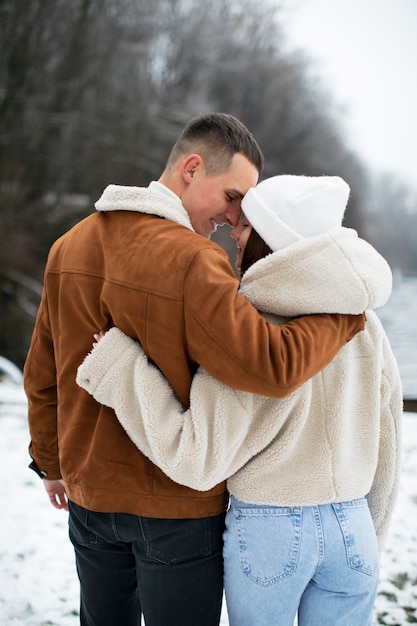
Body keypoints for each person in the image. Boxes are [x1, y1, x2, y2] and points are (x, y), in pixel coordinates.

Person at [24, 112, 366, 626]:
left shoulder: (67, 247)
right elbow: (271, 366)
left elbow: (43, 371)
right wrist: (343, 314)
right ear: (192, 167)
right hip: (175, 509)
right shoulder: (193, 260)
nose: (234, 218)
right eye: (232, 197)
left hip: (88, 497)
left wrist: (50, 463)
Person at [77, 175, 403, 626]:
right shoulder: (365, 323)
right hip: (354, 525)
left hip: (271, 531)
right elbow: (388, 445)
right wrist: (369, 540)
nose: (234, 230)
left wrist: (120, 367)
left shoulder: (247, 333)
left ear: (273, 239)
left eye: (247, 226)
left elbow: (195, 456)